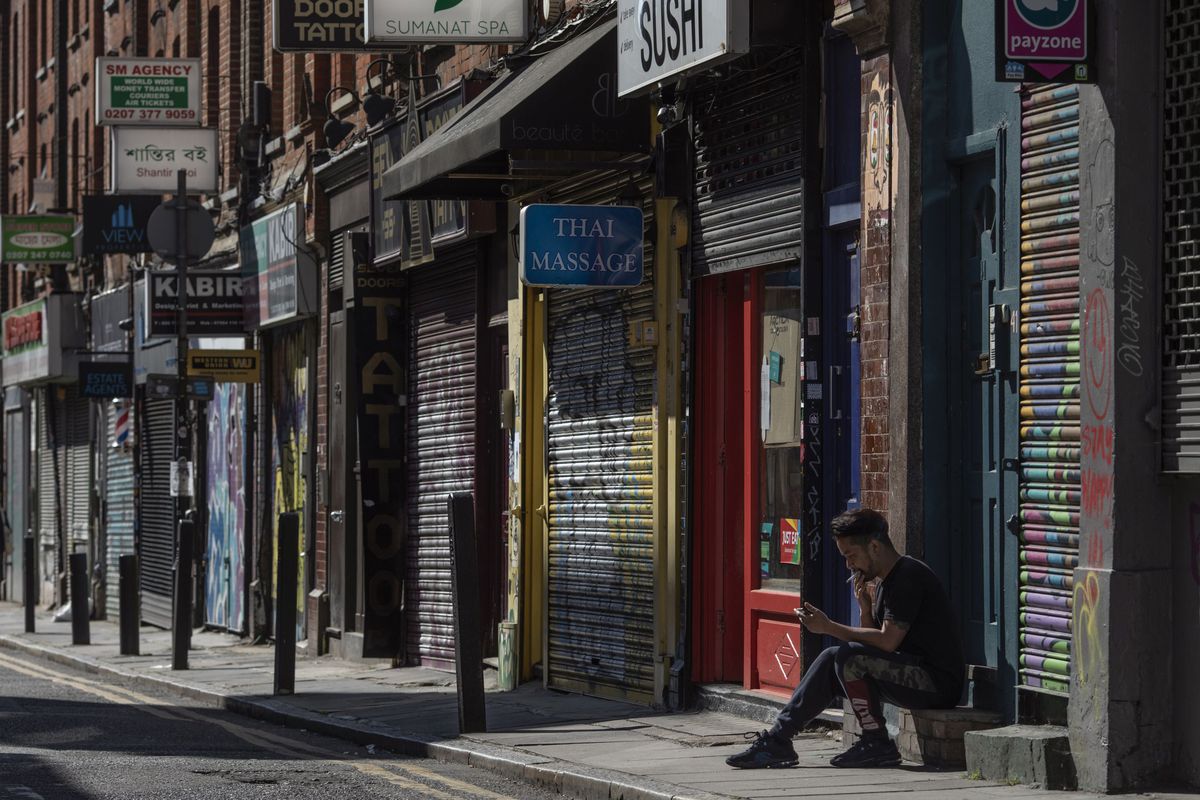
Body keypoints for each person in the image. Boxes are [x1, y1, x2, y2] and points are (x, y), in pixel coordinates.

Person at [725, 508, 965, 769]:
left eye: (851, 555)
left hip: (936, 684)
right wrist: (864, 609)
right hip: (910, 673)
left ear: (874, 547)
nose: (849, 565)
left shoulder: (908, 576)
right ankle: (778, 740)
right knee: (832, 658)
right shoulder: (885, 581)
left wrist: (828, 627)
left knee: (848, 655)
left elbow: (887, 642)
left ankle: (876, 741)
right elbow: (873, 643)